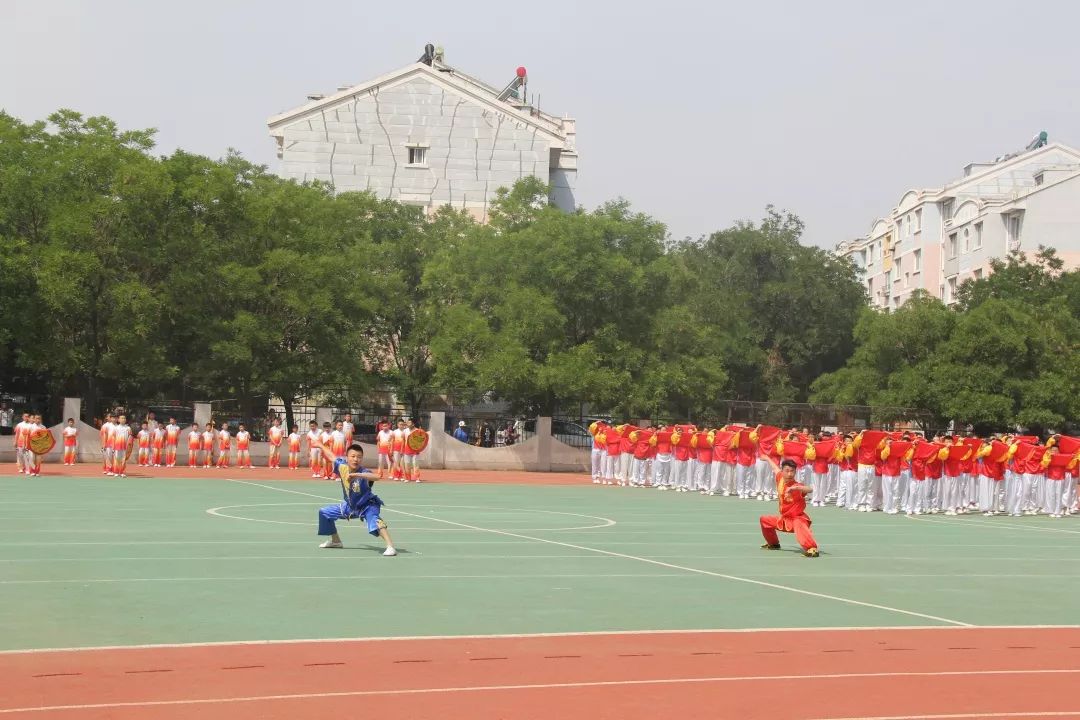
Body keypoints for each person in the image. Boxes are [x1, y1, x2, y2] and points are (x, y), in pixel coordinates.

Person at [314, 442, 397, 556]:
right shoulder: (342, 467)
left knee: (375, 521)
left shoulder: (364, 472)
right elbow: (332, 456)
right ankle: (336, 541)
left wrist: (357, 475)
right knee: (324, 512)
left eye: (359, 457)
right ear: (347, 457)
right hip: (350, 506)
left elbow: (377, 476)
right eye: (353, 456)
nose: (355, 459)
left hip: (367, 505)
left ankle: (390, 547)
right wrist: (320, 445)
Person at [759, 458, 820, 558]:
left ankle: (811, 548)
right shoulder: (780, 478)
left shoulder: (797, 486)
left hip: (797, 519)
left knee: (798, 522)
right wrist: (766, 457)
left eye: (792, 471)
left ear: (795, 472)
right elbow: (775, 468)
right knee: (764, 520)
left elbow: (810, 489)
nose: (790, 474)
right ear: (782, 471)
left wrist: (795, 488)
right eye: (787, 471)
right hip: (784, 520)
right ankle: (773, 544)